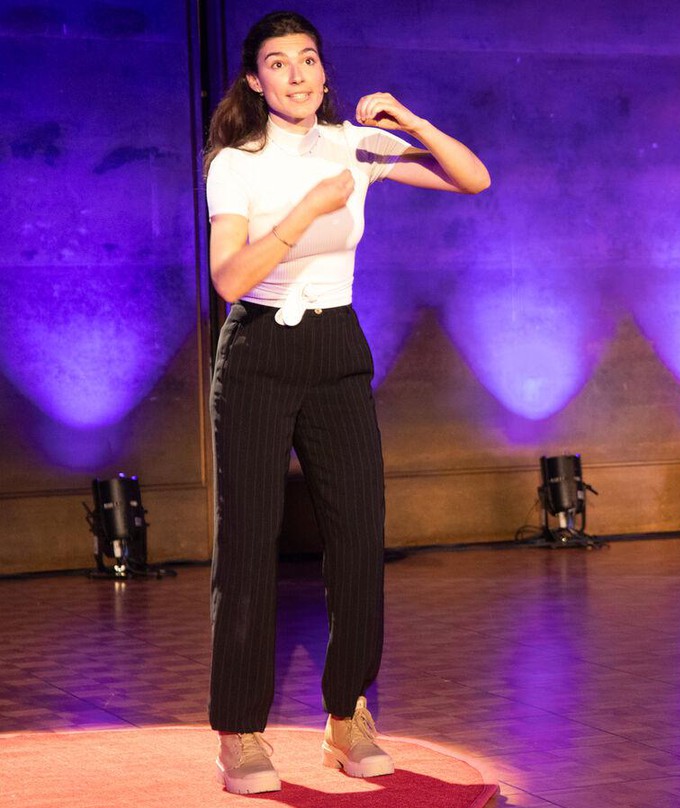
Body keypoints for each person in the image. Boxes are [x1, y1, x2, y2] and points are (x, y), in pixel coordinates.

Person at [202, 10, 489, 795]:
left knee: (360, 539)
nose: (296, 75)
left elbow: (473, 178)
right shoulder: (237, 161)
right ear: (255, 80)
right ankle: (240, 732)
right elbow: (229, 279)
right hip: (259, 350)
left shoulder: (354, 145)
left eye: (308, 60)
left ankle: (347, 716)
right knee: (250, 548)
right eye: (278, 63)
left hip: (337, 349)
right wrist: (306, 212)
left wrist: (407, 120)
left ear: (325, 73)